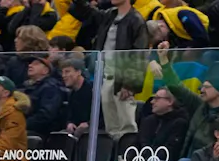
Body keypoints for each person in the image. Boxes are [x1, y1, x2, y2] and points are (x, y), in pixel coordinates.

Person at [69, 0, 147, 140]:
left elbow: (139, 57)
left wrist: (130, 84)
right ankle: (115, 157)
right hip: (106, 74)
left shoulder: (136, 20)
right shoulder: (109, 15)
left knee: (126, 124)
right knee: (111, 126)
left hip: (122, 78)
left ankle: (128, 157)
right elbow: (85, 12)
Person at [155, 42, 219, 159]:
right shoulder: (200, 105)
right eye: (202, 86)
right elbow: (177, 87)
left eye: (206, 87)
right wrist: (164, 60)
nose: (201, 90)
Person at [111, 88, 188, 161]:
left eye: (157, 98)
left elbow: (167, 154)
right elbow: (136, 145)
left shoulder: (180, 123)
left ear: (170, 102)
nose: (152, 102)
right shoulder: (148, 121)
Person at [21, 54, 65, 137]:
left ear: (45, 70)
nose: (30, 65)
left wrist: (22, 124)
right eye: (30, 63)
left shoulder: (51, 87)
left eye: (36, 64)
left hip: (41, 133)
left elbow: (46, 115)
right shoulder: (28, 87)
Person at [146, 5, 211, 49]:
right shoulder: (171, 29)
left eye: (163, 38)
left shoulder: (182, 15)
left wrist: (181, 49)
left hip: (212, 34)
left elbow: (202, 38)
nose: (164, 40)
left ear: (161, 26)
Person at [61, 57, 93, 139]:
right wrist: (70, 123)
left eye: (67, 72)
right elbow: (70, 115)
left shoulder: (93, 90)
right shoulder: (72, 93)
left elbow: (102, 117)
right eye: (62, 72)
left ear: (78, 72)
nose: (63, 76)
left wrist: (89, 124)